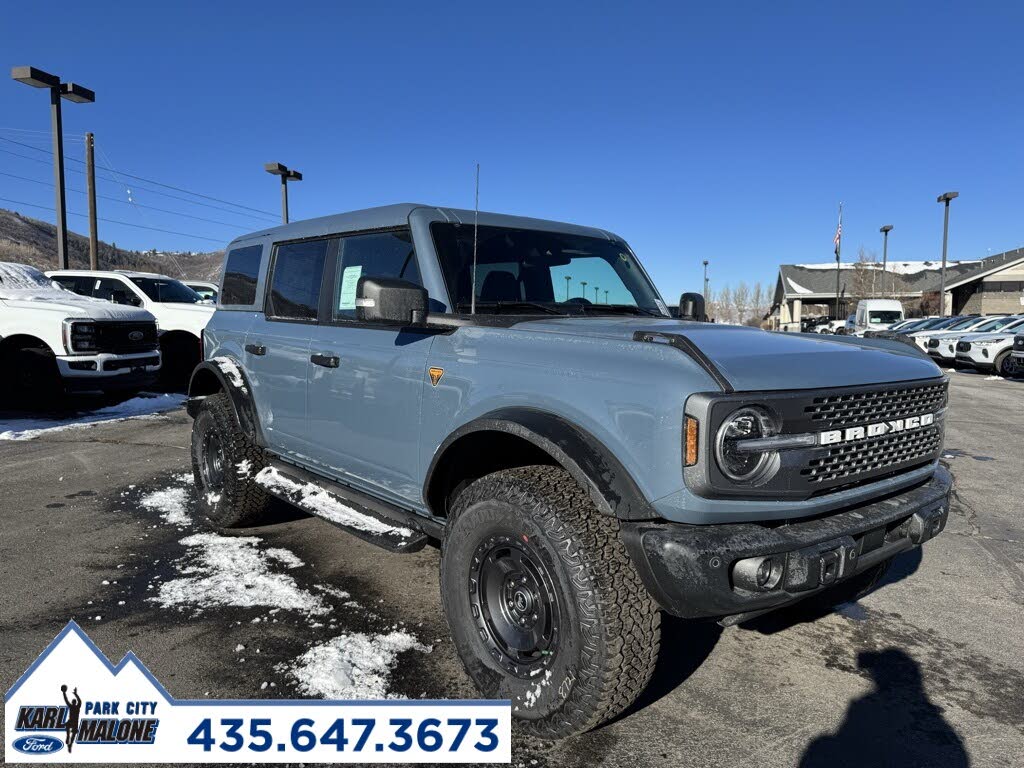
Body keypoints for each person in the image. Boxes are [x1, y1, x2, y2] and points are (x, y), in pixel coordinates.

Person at [60, 684, 82, 753]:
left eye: (74, 701)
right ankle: (68, 737)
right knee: (68, 727)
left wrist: (75, 694)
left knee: (71, 731)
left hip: (74, 722)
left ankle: (70, 743)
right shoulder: (74, 706)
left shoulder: (75, 706)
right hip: (72, 721)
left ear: (74, 702)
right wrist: (64, 693)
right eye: (73, 701)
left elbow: (79, 701)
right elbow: (66, 700)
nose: (73, 702)